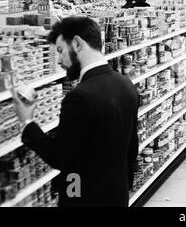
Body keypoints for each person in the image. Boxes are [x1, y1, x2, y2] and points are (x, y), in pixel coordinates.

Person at [12, 17, 139, 206]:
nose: (60, 60)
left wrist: (27, 123)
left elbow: (61, 157)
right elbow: (132, 149)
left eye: (61, 50)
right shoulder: (126, 85)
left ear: (77, 43)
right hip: (117, 196)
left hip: (83, 199)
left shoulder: (79, 97)